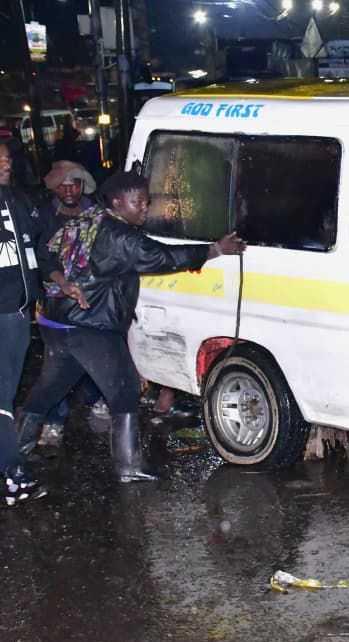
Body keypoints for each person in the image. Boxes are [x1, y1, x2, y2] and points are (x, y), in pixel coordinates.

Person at [14, 171, 244, 483]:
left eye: (147, 203)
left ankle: (16, 453)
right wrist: (215, 250)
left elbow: (45, 254)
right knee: (124, 388)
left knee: (49, 389)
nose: (144, 209)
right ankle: (129, 465)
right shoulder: (118, 234)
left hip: (58, 323)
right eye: (138, 203)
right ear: (118, 202)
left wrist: (62, 282)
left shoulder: (86, 220)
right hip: (89, 326)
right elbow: (160, 256)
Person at [37, 160, 107, 447]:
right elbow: (42, 259)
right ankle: (54, 420)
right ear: (55, 187)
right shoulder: (45, 216)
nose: (69, 190)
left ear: (83, 186)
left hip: (90, 298)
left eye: (74, 184)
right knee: (57, 362)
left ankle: (96, 402)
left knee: (90, 355)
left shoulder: (96, 214)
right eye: (63, 184)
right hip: (55, 300)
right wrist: (63, 284)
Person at [0, 138, 48, 506]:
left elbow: (36, 249)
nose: (5, 164)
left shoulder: (16, 200)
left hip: (17, 315)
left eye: (5, 159)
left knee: (7, 393)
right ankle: (13, 474)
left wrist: (44, 290)